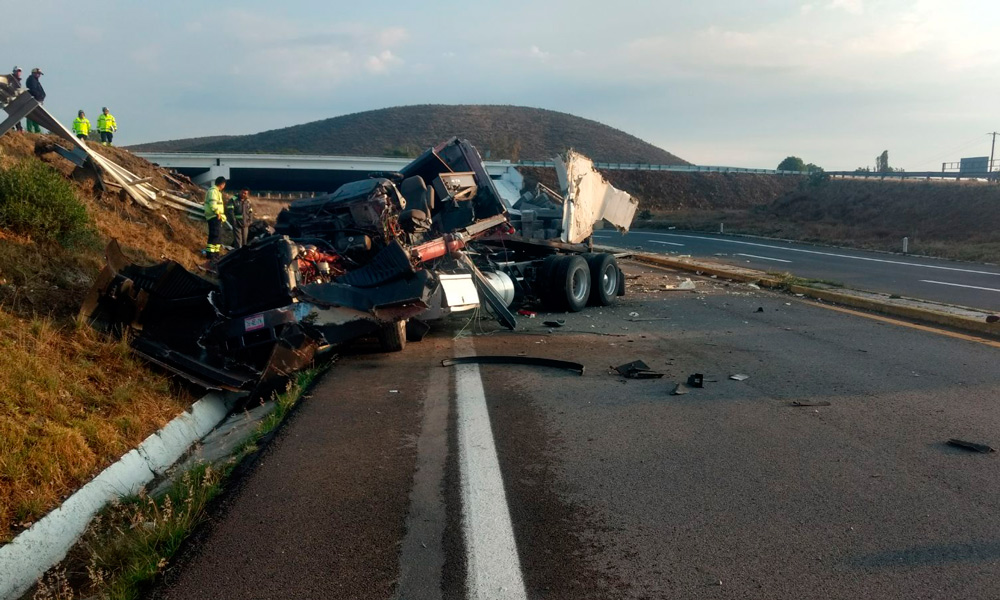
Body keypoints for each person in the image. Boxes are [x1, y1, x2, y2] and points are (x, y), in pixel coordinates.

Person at [203, 176, 227, 262]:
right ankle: (210, 254)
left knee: (218, 236)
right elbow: (213, 204)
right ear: (222, 184)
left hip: (217, 216)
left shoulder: (217, 192)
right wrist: (217, 212)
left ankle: (216, 253)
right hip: (214, 216)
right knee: (214, 235)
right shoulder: (213, 191)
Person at [24, 68, 44, 134]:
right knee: (31, 115)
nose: (39, 75)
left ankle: (36, 129)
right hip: (33, 100)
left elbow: (40, 90)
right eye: (38, 74)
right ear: (34, 73)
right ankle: (31, 130)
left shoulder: (35, 80)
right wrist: (39, 96)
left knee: (35, 115)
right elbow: (33, 90)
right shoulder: (32, 79)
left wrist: (42, 95)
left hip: (36, 99)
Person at [8, 67, 22, 132]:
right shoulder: (11, 79)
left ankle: (17, 128)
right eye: (18, 71)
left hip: (16, 99)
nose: (19, 72)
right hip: (11, 99)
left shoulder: (17, 80)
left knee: (16, 114)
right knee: (14, 114)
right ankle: (16, 128)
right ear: (14, 72)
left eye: (20, 71)